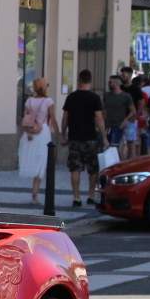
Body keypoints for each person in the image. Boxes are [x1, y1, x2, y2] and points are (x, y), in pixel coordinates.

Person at [61, 69, 106, 207]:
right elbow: (99, 118)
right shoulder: (95, 98)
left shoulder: (71, 97)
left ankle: (76, 198)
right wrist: (104, 137)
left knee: (75, 168)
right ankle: (91, 196)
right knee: (93, 169)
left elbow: (65, 118)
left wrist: (64, 134)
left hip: (74, 137)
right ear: (91, 81)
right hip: (90, 137)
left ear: (78, 80)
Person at [18, 77, 59, 205]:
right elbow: (52, 119)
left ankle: (34, 195)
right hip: (43, 133)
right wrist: (59, 135)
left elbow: (24, 118)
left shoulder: (29, 101)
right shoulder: (48, 101)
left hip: (29, 134)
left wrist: (26, 133)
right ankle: (35, 195)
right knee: (41, 162)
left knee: (33, 160)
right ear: (44, 86)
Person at [102, 75, 136, 153]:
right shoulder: (107, 95)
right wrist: (102, 121)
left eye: (110, 82)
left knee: (115, 147)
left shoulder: (125, 96)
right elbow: (104, 109)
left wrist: (126, 120)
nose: (108, 84)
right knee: (107, 147)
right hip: (108, 125)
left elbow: (133, 110)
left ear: (117, 83)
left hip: (118, 125)